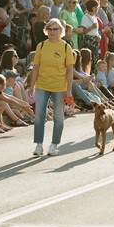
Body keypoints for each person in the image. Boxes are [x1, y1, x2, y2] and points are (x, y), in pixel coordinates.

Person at [26, 18, 75, 157]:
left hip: (59, 86)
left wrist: (69, 89)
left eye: (55, 29)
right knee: (39, 115)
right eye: (50, 29)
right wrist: (31, 86)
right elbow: (35, 68)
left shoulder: (66, 47)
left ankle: (54, 145)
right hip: (42, 85)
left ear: (61, 31)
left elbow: (70, 70)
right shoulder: (41, 46)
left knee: (58, 117)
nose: (52, 32)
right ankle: (39, 145)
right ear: (46, 30)